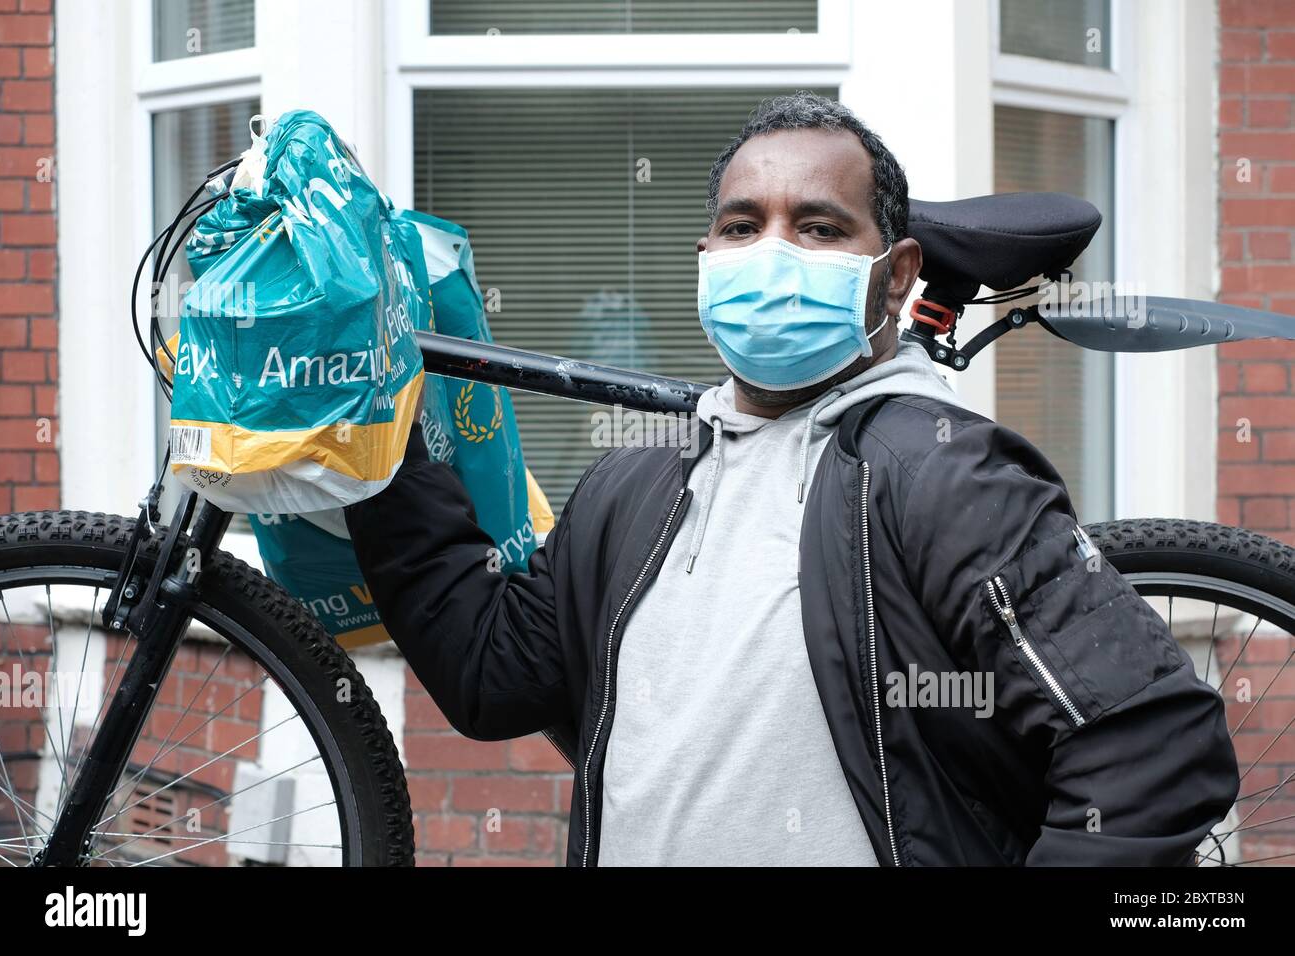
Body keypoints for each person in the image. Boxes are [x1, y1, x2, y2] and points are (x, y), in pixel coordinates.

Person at [344, 91, 1238, 867]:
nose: (770, 251)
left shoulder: (943, 471)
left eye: (816, 227)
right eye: (742, 226)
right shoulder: (635, 481)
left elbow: (1152, 743)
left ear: (895, 279)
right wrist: (367, 440)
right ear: (705, 260)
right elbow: (491, 675)